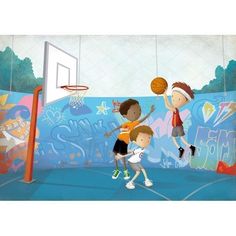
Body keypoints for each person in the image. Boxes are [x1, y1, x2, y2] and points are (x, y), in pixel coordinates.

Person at [105, 99, 155, 180]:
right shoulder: (125, 124)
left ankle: (125, 171)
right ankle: (117, 170)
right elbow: (118, 127)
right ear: (125, 115)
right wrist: (110, 132)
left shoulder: (134, 123)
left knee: (123, 156)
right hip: (119, 140)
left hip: (125, 142)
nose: (136, 114)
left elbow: (142, 119)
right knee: (115, 154)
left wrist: (150, 112)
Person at [162, 82, 196, 158]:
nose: (173, 99)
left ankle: (191, 147)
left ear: (185, 101)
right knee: (173, 138)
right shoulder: (175, 108)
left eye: (178, 98)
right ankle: (181, 149)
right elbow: (170, 105)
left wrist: (165, 97)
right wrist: (165, 96)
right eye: (173, 97)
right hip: (175, 126)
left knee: (182, 139)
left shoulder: (175, 109)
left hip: (178, 126)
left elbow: (168, 106)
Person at [116, 125, 154, 189]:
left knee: (143, 169)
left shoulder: (142, 148)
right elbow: (131, 153)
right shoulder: (138, 149)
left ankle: (146, 180)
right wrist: (122, 156)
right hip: (132, 162)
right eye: (142, 139)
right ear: (135, 141)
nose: (147, 141)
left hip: (137, 161)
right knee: (138, 172)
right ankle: (130, 183)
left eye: (149, 138)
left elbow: (131, 151)